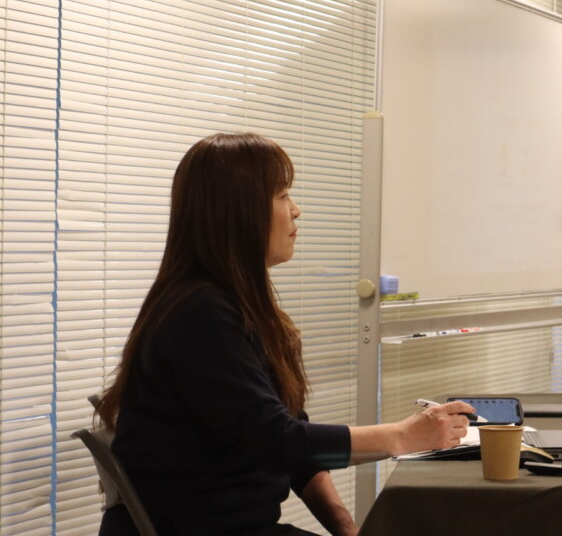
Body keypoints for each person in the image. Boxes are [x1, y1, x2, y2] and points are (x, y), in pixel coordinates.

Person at [95, 133, 473, 536]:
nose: (296, 210)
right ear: (238, 211)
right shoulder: (200, 312)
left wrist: (346, 528)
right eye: (282, 195)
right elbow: (277, 442)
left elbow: (294, 448)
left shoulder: (234, 307)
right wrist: (403, 436)